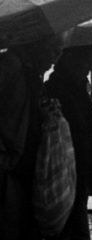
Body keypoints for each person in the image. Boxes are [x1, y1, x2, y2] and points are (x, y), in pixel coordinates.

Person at [0, 34, 64, 240]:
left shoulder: (29, 73)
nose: (56, 58)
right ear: (37, 45)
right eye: (54, 49)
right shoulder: (11, 69)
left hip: (19, 164)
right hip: (10, 165)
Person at [44, 47, 92, 240]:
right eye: (85, 63)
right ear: (69, 62)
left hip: (78, 165)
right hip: (64, 164)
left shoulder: (77, 87)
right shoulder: (58, 89)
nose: (88, 69)